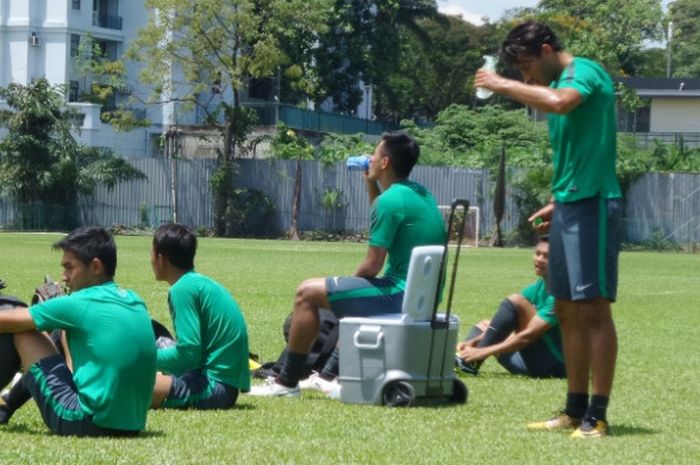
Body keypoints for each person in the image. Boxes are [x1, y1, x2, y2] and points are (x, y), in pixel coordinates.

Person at [475, 22, 622, 438]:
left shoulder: (584, 73)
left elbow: (560, 102)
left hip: (593, 204)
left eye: (526, 67)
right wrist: (559, 200)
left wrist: (500, 85)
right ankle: (574, 410)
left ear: (545, 49)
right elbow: (580, 148)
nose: (525, 78)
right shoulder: (554, 82)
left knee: (593, 310)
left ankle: (598, 414)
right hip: (571, 204)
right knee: (569, 311)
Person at [250, 132, 447, 397]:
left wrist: (345, 288)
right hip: (421, 295)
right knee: (347, 296)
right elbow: (385, 211)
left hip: (399, 293)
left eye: (374, 155)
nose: (370, 159)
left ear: (385, 162)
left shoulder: (390, 202)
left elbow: (372, 265)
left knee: (307, 292)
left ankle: (286, 383)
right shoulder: (420, 194)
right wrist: (370, 184)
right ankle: (328, 375)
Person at [0, 227, 156, 436]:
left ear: (95, 266)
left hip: (85, 421)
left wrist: (37, 309)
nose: (64, 277)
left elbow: (8, 320)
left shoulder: (79, 303)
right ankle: (5, 406)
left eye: (69, 268)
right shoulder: (135, 300)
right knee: (58, 332)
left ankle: (5, 405)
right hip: (132, 424)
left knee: (22, 328)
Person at [150, 223, 251, 409]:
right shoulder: (198, 283)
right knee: (155, 337)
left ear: (161, 258)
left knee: (130, 389)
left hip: (214, 388)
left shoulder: (182, 289)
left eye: (151, 253)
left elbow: (189, 353)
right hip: (223, 384)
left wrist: (140, 361)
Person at [455, 236, 564, 378]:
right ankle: (463, 358)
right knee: (485, 326)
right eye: (537, 253)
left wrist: (482, 351)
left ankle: (470, 363)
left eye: (546, 256)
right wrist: (471, 342)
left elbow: (528, 336)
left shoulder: (561, 294)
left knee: (515, 301)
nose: (539, 259)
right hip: (530, 363)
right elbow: (507, 329)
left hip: (553, 367)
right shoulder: (538, 286)